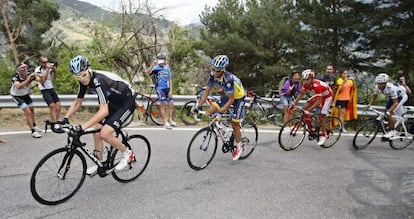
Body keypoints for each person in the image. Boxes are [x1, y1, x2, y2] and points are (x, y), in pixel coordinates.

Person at [66, 55, 136, 175]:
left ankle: (128, 153)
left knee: (104, 134)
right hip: (114, 102)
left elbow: (104, 111)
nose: (82, 79)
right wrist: (65, 118)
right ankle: (99, 163)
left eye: (83, 75)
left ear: (88, 69)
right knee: (96, 130)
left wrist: (83, 127)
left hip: (127, 102)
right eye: (77, 76)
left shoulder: (98, 80)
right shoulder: (83, 81)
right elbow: (78, 102)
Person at [193, 55, 245, 161]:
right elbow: (206, 91)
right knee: (210, 111)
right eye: (213, 70)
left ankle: (239, 146)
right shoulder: (212, 76)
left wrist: (220, 113)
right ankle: (219, 130)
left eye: (218, 71)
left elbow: (232, 99)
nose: (215, 73)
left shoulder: (228, 78)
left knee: (234, 123)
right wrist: (198, 106)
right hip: (229, 95)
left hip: (238, 98)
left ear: (223, 70)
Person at [291, 69, 333, 146]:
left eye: (307, 79)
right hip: (319, 95)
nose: (305, 81)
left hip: (327, 96)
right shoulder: (305, 84)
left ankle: (324, 134)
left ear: (311, 79)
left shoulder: (317, 85)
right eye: (303, 79)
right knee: (303, 109)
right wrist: (294, 103)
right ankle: (306, 127)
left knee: (321, 116)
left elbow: (318, 102)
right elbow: (301, 95)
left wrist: (309, 110)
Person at [368, 73, 408, 138]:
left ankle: (393, 130)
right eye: (378, 83)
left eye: (382, 83)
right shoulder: (377, 87)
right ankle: (392, 124)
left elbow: (395, 102)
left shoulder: (391, 88)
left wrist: (389, 112)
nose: (379, 85)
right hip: (392, 97)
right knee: (387, 111)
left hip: (401, 96)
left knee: (389, 113)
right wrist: (369, 105)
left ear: (386, 83)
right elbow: (374, 97)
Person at [10, 63, 42, 138]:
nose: (25, 70)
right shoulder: (15, 77)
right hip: (17, 96)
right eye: (23, 69)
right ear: (19, 71)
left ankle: (34, 125)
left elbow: (39, 80)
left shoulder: (29, 74)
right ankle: (33, 131)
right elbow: (19, 86)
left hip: (25, 94)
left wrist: (37, 77)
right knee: (27, 111)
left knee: (32, 110)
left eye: (26, 68)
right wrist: (29, 79)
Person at [145, 52, 177, 129]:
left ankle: (170, 120)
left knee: (171, 104)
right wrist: (152, 64)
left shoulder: (167, 68)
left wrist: (171, 90)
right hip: (160, 88)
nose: (162, 61)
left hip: (167, 88)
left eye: (163, 59)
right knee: (163, 105)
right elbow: (147, 72)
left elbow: (170, 79)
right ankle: (165, 122)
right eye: (160, 59)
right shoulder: (156, 68)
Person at [34, 56, 61, 122]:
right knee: (52, 106)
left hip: (51, 88)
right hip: (44, 89)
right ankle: (54, 122)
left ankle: (56, 121)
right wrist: (47, 70)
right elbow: (43, 81)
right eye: (44, 62)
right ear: (40, 62)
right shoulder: (38, 70)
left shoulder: (48, 68)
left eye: (47, 62)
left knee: (58, 105)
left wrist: (54, 71)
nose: (46, 63)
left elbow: (54, 78)